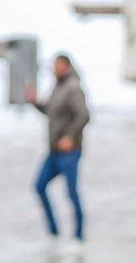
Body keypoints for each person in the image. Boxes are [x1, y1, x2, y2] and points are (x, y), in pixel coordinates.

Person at [24, 54, 90, 243]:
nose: (53, 69)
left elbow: (84, 115)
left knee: (71, 192)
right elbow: (51, 111)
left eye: (57, 65)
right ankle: (54, 231)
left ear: (66, 66)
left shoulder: (73, 88)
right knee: (39, 185)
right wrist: (35, 102)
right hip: (54, 151)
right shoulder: (58, 86)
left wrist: (70, 136)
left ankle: (79, 234)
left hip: (69, 152)